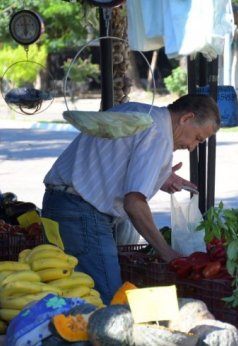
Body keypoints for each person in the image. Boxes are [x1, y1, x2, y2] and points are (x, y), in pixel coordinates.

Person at [42, 94, 221, 304]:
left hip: (60, 204)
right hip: (80, 214)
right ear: (186, 118)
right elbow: (134, 203)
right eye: (197, 138)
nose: (192, 147)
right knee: (107, 301)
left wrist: (159, 176)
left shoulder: (139, 112)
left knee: (74, 294)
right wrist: (167, 252)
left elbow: (113, 160)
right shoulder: (159, 136)